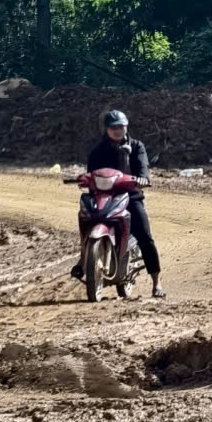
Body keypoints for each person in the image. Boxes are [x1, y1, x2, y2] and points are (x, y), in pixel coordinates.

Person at [74, 109, 164, 298]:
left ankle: (157, 282)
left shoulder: (137, 147)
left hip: (131, 197)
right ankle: (84, 259)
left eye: (121, 126)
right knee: (86, 218)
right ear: (106, 129)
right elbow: (91, 175)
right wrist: (84, 180)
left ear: (126, 127)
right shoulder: (98, 151)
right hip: (103, 197)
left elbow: (143, 169)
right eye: (113, 127)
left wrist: (142, 179)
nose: (117, 130)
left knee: (145, 236)